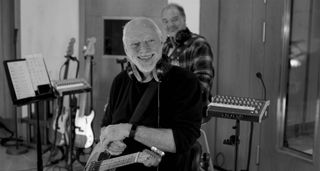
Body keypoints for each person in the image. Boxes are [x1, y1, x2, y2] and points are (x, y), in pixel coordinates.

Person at [90, 17, 203, 171]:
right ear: (125, 49)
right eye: (135, 44)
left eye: (150, 41)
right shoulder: (120, 81)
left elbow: (183, 140)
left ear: (162, 42)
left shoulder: (186, 81)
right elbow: (106, 127)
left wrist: (127, 130)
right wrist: (109, 142)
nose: (143, 49)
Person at [161, 3, 215, 121]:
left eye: (174, 20)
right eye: (165, 21)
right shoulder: (165, 46)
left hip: (191, 110)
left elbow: (203, 85)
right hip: (167, 107)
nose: (170, 25)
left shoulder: (199, 44)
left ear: (184, 19)